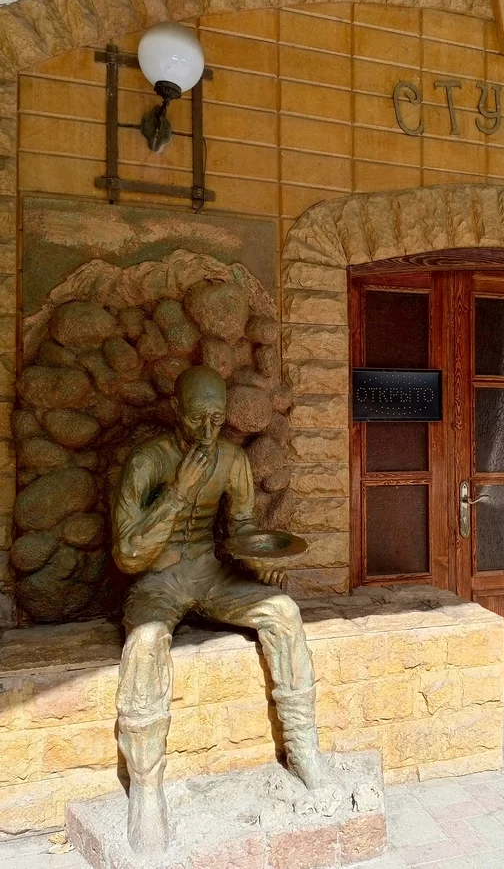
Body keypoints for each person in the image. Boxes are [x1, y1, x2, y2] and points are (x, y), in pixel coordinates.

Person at [112, 365, 328, 855]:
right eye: (197, 420)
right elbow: (126, 555)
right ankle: (146, 791)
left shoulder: (232, 460)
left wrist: (260, 560)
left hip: (209, 577)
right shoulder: (147, 462)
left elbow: (243, 526)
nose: (208, 431)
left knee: (284, 612)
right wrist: (178, 494)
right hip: (157, 581)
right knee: (145, 641)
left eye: (217, 419)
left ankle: (304, 748)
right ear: (175, 412)